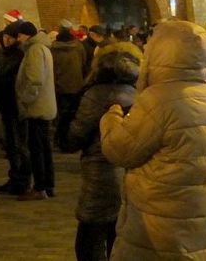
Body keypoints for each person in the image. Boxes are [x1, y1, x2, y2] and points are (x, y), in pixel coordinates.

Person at [100, 20, 206, 260]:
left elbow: (118, 150)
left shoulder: (159, 99)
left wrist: (111, 117)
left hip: (158, 220)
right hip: (202, 215)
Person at [60, 51, 138, 261]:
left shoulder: (97, 95)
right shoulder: (137, 92)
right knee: (118, 237)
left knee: (89, 241)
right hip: (129, 173)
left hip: (100, 171)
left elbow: (75, 136)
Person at [15, 21, 56, 200]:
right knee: (44, 148)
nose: (18, 39)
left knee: (37, 148)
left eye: (20, 35)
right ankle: (48, 185)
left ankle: (40, 187)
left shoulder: (34, 50)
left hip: (37, 106)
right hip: (44, 105)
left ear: (27, 35)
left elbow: (35, 79)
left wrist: (25, 99)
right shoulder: (43, 48)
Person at [0, 23, 29, 195]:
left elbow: (14, 77)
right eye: (5, 37)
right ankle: (14, 176)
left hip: (16, 104)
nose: (6, 40)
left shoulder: (20, 55)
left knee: (19, 143)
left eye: (10, 37)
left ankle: (22, 179)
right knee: (10, 143)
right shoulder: (0, 54)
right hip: (4, 102)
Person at [50, 21, 85, 133]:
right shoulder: (78, 46)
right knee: (73, 112)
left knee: (60, 112)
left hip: (58, 85)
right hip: (76, 84)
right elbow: (83, 62)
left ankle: (60, 136)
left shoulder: (53, 48)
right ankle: (69, 136)